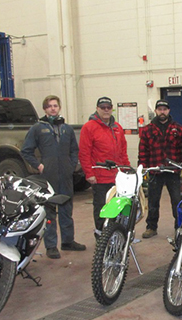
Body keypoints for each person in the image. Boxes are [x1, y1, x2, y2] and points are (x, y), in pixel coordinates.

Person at [21, 95, 86, 259]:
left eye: (55, 106)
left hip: (65, 175)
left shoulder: (67, 129)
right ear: (45, 109)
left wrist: (71, 165)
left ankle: (68, 241)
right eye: (49, 106)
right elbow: (26, 151)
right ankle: (51, 246)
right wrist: (38, 165)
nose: (53, 108)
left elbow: (74, 150)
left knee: (66, 209)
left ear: (59, 108)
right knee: (49, 210)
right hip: (48, 175)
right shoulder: (38, 128)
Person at [78, 96, 130, 238]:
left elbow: (123, 151)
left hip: (117, 177)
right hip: (100, 177)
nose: (106, 110)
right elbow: (84, 153)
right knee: (101, 207)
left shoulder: (117, 127)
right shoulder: (89, 127)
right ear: (97, 109)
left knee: (118, 206)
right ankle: (101, 235)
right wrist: (89, 173)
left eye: (108, 107)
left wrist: (127, 169)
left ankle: (116, 234)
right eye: (103, 108)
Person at [138, 99, 182, 238]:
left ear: (168, 111)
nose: (162, 112)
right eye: (160, 109)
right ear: (156, 111)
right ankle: (151, 227)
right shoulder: (147, 130)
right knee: (153, 202)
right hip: (155, 171)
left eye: (165, 109)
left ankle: (179, 227)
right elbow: (143, 151)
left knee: (177, 202)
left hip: (173, 171)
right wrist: (143, 169)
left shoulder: (178, 128)